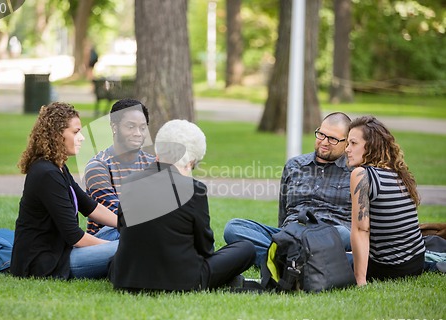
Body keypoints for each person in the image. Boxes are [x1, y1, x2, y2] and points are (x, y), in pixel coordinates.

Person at [109, 119, 256, 291]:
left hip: (125, 277)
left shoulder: (130, 182)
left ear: (158, 153)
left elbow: (122, 228)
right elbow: (205, 249)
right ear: (190, 162)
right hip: (181, 280)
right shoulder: (194, 190)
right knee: (246, 248)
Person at [224, 112, 353, 267]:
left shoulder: (355, 173)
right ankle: (297, 262)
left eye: (332, 139)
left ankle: (281, 262)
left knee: (345, 235)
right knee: (234, 228)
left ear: (347, 143)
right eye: (321, 134)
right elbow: (283, 213)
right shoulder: (294, 165)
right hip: (291, 234)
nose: (324, 142)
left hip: (329, 235)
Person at [11, 102, 119, 279]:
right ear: (56, 134)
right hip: (46, 263)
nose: (82, 137)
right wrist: (115, 248)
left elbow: (90, 207)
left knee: (124, 232)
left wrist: (127, 225)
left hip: (64, 249)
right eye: (76, 132)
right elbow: (75, 236)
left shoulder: (58, 167)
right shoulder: (46, 174)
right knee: (128, 246)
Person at [346, 116, 425, 286]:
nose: (347, 149)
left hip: (389, 268)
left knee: (330, 246)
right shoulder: (398, 171)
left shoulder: (361, 175)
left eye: (353, 143)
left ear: (371, 145)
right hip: (416, 262)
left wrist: (360, 280)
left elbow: (361, 229)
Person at [84, 99, 156, 240]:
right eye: (130, 127)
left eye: (142, 128)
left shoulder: (154, 164)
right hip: (108, 238)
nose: (138, 133)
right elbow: (120, 215)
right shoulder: (99, 167)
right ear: (114, 127)